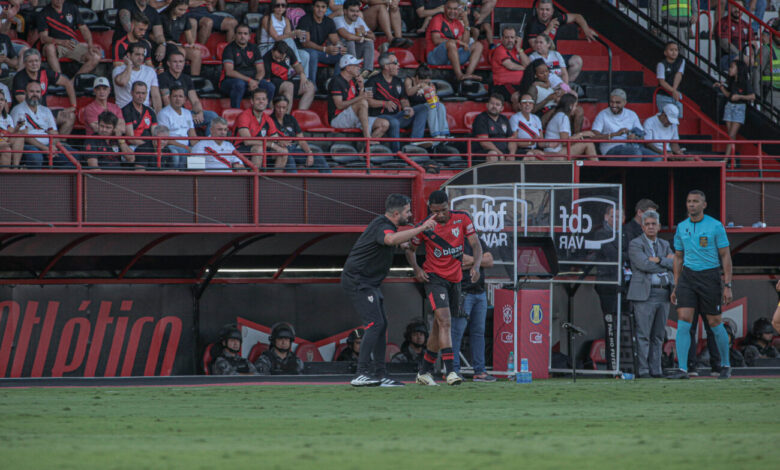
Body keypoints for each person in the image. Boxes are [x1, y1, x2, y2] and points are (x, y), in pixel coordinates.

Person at [342, 193, 437, 387]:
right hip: (358, 281)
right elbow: (390, 239)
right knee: (374, 324)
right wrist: (422, 228)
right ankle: (361, 373)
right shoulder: (384, 227)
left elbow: (392, 240)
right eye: (407, 212)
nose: (410, 215)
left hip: (370, 283)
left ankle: (380, 375)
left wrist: (404, 241)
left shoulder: (386, 225)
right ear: (396, 213)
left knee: (382, 325)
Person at [405, 190, 482, 386]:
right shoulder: (425, 227)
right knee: (445, 321)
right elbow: (410, 250)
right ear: (430, 209)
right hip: (435, 279)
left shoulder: (462, 218)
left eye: (443, 210)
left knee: (439, 326)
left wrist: (476, 266)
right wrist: (417, 269)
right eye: (435, 211)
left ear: (449, 205)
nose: (439, 215)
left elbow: (476, 245)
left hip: (455, 280)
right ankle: (451, 372)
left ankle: (424, 371)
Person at [668, 190, 733, 379]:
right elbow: (678, 258)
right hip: (688, 278)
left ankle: (726, 365)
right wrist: (676, 285)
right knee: (683, 322)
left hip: (709, 276)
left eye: (695, 201)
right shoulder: (681, 227)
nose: (691, 204)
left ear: (704, 205)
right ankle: (682, 369)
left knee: (714, 322)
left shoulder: (715, 226)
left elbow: (725, 255)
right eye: (689, 201)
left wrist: (727, 284)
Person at [627, 210, 674, 378]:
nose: (651, 227)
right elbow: (644, 265)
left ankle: (656, 370)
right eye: (647, 224)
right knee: (643, 335)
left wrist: (660, 260)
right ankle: (644, 370)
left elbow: (675, 263)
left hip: (664, 293)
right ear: (642, 226)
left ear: (659, 226)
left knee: (659, 336)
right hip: (644, 295)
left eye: (654, 224)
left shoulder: (664, 244)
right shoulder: (635, 243)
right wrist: (665, 263)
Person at [451, 237, 495, 382]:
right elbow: (457, 263)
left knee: (478, 333)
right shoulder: (453, 240)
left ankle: (480, 371)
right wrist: (478, 260)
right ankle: (453, 371)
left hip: (479, 293)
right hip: (462, 292)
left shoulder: (478, 240)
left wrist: (472, 261)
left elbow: (490, 261)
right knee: (456, 333)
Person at [366, 52, 429, 153]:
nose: (398, 66)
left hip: (397, 116)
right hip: (380, 117)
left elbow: (403, 99)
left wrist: (407, 108)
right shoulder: (373, 81)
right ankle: (396, 154)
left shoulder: (398, 81)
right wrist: (384, 103)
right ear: (386, 66)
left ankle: (414, 144)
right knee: (394, 122)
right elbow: (368, 102)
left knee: (423, 108)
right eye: (395, 63)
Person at [593, 203, 627, 372]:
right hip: (607, 284)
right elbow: (615, 256)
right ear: (606, 217)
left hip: (623, 285)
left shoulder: (624, 235)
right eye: (613, 216)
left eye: (620, 216)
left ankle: (623, 363)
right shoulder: (601, 234)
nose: (617, 219)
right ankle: (611, 365)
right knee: (610, 324)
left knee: (623, 324)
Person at [11, 80, 75, 168]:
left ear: (41, 94)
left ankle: (59, 181)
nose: (35, 94)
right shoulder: (18, 109)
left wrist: (52, 147)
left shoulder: (46, 110)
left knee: (74, 156)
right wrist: (45, 148)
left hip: (48, 145)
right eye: (31, 91)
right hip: (29, 145)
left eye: (38, 92)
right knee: (36, 157)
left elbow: (54, 133)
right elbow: (24, 136)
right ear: (25, 93)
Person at [12, 49, 76, 137]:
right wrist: (46, 117)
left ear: (40, 61)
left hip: (44, 112)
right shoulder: (19, 77)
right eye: (30, 61)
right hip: (26, 114)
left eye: (36, 61)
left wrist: (73, 106)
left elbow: (67, 83)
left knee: (70, 117)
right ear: (25, 63)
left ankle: (59, 144)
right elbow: (21, 100)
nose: (34, 64)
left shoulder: (45, 72)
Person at [328, 54, 390, 144]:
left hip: (353, 117)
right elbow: (339, 105)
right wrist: (361, 97)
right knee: (362, 102)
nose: (359, 67)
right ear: (348, 68)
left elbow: (359, 102)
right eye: (356, 65)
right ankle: (368, 138)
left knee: (384, 124)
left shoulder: (353, 81)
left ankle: (365, 150)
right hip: (338, 118)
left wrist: (361, 87)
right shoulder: (336, 81)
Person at [266, 94, 331, 173]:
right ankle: (295, 183)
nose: (281, 110)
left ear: (287, 108)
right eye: (278, 107)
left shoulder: (291, 119)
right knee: (289, 159)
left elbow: (301, 140)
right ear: (273, 106)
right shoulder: (268, 119)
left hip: (293, 149)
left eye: (284, 108)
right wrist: (278, 142)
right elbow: (267, 139)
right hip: (277, 151)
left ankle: (328, 183)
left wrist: (309, 153)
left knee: (318, 158)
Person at [590, 89, 661, 161]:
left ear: (624, 103)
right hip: (611, 148)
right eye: (611, 102)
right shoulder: (602, 114)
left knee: (657, 158)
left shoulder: (631, 114)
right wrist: (615, 134)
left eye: (617, 103)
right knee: (635, 154)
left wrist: (634, 137)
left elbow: (642, 137)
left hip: (632, 146)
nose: (614, 105)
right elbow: (594, 137)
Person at [158, 50, 217, 134]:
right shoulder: (163, 77)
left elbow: (195, 100)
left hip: (185, 113)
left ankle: (211, 145)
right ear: (168, 63)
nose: (178, 64)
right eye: (175, 62)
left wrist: (199, 113)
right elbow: (167, 101)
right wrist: (187, 116)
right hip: (170, 115)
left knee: (212, 116)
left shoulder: (186, 78)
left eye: (181, 62)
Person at [37, 0, 101, 77]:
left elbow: (84, 29)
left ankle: (73, 82)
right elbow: (43, 38)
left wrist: (90, 45)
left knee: (95, 56)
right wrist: (61, 42)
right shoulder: (44, 13)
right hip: (55, 45)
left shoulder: (72, 7)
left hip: (71, 44)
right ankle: (59, 78)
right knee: (49, 48)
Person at [219, 24, 275, 110]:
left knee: (270, 86)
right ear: (235, 35)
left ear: (249, 36)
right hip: (230, 82)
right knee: (239, 84)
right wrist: (249, 80)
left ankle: (262, 112)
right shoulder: (229, 49)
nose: (242, 36)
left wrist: (256, 81)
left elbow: (261, 70)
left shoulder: (254, 48)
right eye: (240, 33)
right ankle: (235, 112)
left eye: (245, 34)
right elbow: (229, 72)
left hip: (252, 81)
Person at [425, 0, 484, 82]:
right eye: (449, 9)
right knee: (451, 43)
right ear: (445, 8)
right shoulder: (437, 19)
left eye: (455, 9)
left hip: (452, 56)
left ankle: (467, 75)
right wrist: (456, 42)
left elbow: (465, 43)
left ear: (458, 10)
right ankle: (459, 75)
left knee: (478, 45)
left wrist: (466, 23)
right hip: (435, 57)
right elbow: (436, 40)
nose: (452, 11)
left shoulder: (458, 23)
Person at [296, 0, 344, 91]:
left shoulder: (328, 21)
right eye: (318, 6)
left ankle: (335, 85)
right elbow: (305, 43)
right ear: (313, 7)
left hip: (319, 51)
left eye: (323, 7)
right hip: (302, 50)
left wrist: (340, 47)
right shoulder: (305, 19)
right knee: (313, 54)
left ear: (326, 9)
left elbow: (335, 39)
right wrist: (325, 49)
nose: (320, 9)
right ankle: (312, 85)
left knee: (341, 55)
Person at [518, 59, 577, 130]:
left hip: (555, 110)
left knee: (578, 111)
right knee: (560, 111)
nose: (545, 74)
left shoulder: (551, 84)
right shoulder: (534, 87)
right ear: (535, 75)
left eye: (547, 71)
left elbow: (565, 87)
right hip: (543, 114)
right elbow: (532, 110)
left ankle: (576, 138)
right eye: (542, 73)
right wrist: (548, 99)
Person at [714, 60, 755, 157]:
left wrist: (739, 97)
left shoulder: (745, 82)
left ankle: (727, 158)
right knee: (730, 135)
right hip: (729, 106)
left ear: (738, 69)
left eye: (732, 67)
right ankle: (732, 158)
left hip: (739, 107)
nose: (729, 69)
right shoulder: (732, 81)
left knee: (731, 135)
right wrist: (721, 87)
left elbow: (752, 96)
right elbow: (729, 95)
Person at [258, 0, 309, 74]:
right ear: (273, 7)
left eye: (283, 5)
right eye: (277, 5)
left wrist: (296, 34)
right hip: (266, 47)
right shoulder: (267, 18)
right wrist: (293, 33)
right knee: (288, 40)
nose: (280, 7)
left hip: (281, 47)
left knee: (305, 55)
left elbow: (287, 35)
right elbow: (276, 38)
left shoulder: (286, 20)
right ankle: (296, 66)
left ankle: (303, 80)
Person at [263, 41, 314, 112]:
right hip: (273, 83)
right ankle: (286, 117)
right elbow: (267, 85)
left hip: (286, 80)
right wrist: (271, 107)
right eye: (275, 58)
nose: (278, 60)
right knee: (289, 86)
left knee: (310, 86)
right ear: (272, 51)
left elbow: (297, 66)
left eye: (281, 58)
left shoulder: (289, 51)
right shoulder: (266, 58)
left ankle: (300, 115)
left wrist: (302, 74)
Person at [523, 0, 596, 50]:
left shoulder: (555, 17)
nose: (544, 13)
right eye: (542, 9)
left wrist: (586, 29)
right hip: (535, 56)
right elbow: (536, 47)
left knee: (576, 61)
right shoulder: (532, 24)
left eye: (547, 10)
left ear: (552, 11)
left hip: (552, 54)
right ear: (537, 10)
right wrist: (548, 29)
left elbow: (577, 16)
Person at [404, 64, 451, 139]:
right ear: (417, 77)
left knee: (440, 105)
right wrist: (419, 86)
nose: (425, 83)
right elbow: (409, 92)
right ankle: (435, 134)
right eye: (423, 81)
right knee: (430, 106)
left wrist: (433, 95)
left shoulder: (430, 84)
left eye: (426, 81)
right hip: (414, 108)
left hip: (426, 108)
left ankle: (444, 133)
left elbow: (433, 100)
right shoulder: (409, 80)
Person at [543, 94, 597, 159]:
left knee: (585, 141)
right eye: (575, 106)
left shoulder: (560, 115)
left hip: (555, 150)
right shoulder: (563, 118)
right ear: (570, 106)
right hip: (555, 152)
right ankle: (597, 167)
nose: (576, 109)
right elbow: (565, 142)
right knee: (588, 143)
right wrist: (582, 134)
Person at [113, 43, 162, 111]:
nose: (140, 58)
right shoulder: (118, 70)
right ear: (129, 55)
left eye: (142, 55)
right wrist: (129, 65)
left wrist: (157, 116)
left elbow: (156, 96)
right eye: (137, 54)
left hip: (144, 112)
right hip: (123, 111)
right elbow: (122, 82)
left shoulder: (150, 71)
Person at [159, 0, 202, 76]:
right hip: (166, 45)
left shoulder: (184, 17)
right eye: (180, 9)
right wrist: (165, 42)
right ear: (173, 7)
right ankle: (178, 77)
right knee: (181, 51)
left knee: (196, 53)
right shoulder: (162, 16)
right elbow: (154, 35)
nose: (183, 12)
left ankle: (194, 78)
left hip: (178, 44)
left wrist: (192, 44)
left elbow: (189, 37)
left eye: (185, 10)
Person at [490, 26, 530, 108]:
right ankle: (519, 119)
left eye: (512, 37)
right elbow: (510, 66)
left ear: (515, 38)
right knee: (517, 97)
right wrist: (525, 68)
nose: (510, 40)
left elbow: (528, 64)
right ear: (502, 38)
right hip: (503, 85)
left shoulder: (516, 50)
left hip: (521, 84)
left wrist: (519, 49)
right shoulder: (499, 50)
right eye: (507, 37)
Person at [471, 93, 516, 162]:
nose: (494, 106)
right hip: (484, 152)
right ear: (487, 105)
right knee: (493, 155)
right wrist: (500, 154)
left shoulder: (504, 119)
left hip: (504, 152)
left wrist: (512, 154)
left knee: (530, 155)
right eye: (492, 103)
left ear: (502, 108)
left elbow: (511, 140)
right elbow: (484, 143)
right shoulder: (481, 118)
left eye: (497, 105)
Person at [157, 85, 195, 166]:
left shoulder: (187, 113)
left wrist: (199, 148)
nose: (178, 99)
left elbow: (193, 136)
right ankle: (181, 177)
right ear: (169, 98)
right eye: (175, 96)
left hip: (186, 147)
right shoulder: (163, 114)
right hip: (171, 146)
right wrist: (185, 147)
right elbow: (165, 139)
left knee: (200, 153)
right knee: (182, 153)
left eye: (180, 96)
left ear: (185, 99)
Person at [335, 0, 375, 71]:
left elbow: (373, 37)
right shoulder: (338, 20)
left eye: (357, 11)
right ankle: (355, 69)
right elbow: (347, 36)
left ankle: (367, 71)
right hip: (341, 51)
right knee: (350, 41)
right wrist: (361, 38)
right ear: (345, 11)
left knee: (369, 43)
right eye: (352, 11)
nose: (355, 14)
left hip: (354, 51)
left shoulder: (358, 20)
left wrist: (365, 33)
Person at [122, 81, 158, 151]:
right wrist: (147, 146)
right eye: (138, 93)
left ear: (146, 94)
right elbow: (130, 138)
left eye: (143, 93)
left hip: (149, 146)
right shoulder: (126, 110)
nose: (140, 96)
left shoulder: (150, 111)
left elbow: (155, 134)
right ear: (132, 93)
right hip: (132, 147)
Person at [509, 94, 546, 158]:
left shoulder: (536, 118)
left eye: (530, 102)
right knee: (538, 156)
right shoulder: (515, 118)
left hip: (535, 149)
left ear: (533, 105)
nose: (527, 104)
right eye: (524, 102)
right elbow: (514, 141)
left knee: (556, 156)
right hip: (521, 150)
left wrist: (550, 144)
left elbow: (540, 142)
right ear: (520, 105)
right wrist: (531, 142)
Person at [656, 41, 685, 118]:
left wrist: (674, 91)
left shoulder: (681, 61)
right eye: (671, 50)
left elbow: (678, 75)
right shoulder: (661, 64)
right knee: (665, 118)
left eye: (676, 50)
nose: (674, 52)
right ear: (665, 52)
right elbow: (661, 81)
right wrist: (673, 91)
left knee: (677, 118)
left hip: (676, 94)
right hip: (663, 95)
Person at [0, 92, 25, 168]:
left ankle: (15, 167)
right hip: (2, 141)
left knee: (20, 136)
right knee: (6, 149)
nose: (0, 102)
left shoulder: (7, 117)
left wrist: (17, 127)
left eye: (2, 100)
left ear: (5, 102)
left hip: (5, 139)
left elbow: (11, 131)